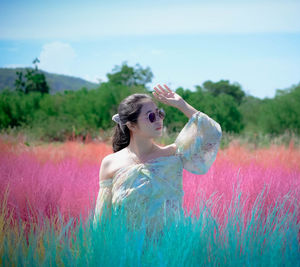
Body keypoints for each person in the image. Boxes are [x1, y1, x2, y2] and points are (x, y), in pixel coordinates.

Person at [93, 83, 222, 237]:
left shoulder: (173, 155)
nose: (159, 120)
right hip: (127, 254)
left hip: (168, 252)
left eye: (159, 114)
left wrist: (181, 105)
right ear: (131, 125)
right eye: (151, 116)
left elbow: (212, 134)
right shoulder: (110, 163)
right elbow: (101, 222)